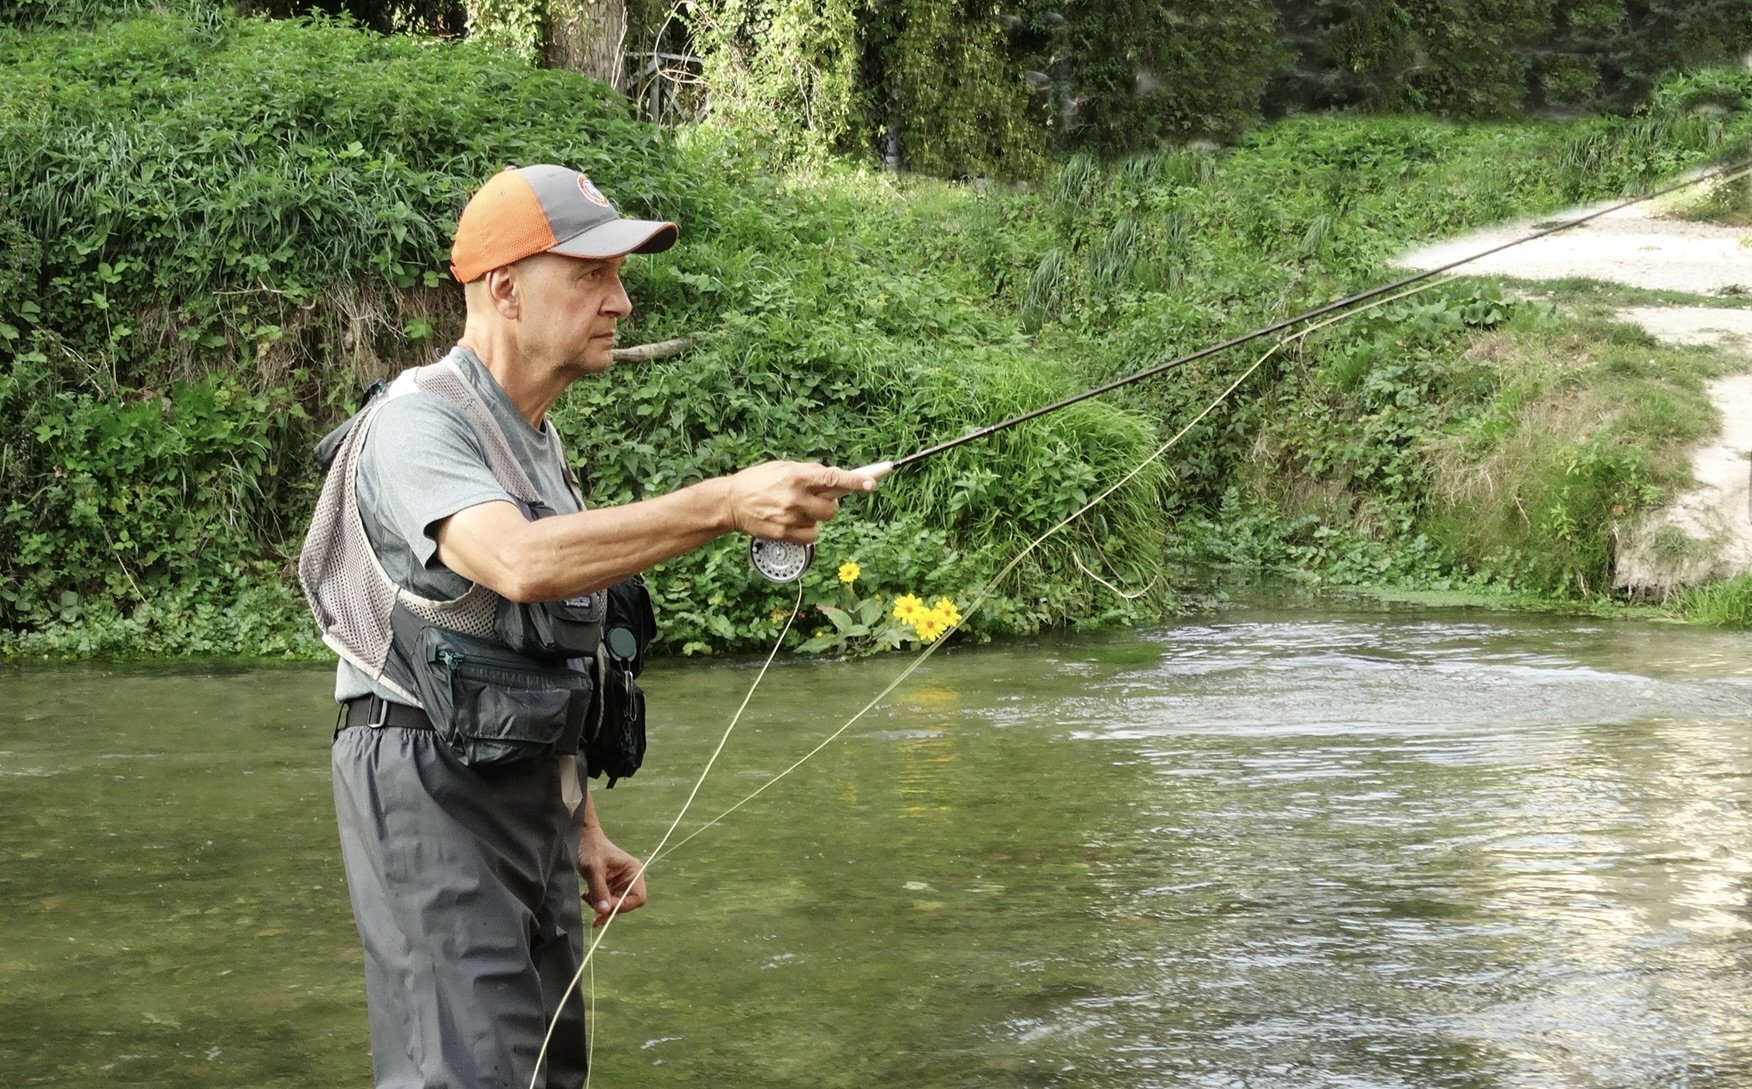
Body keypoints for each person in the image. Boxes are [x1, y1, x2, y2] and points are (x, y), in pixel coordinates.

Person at [299, 163, 878, 1089]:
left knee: (547, 1069)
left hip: (529, 790)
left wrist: (582, 826)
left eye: (621, 277)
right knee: (469, 1072)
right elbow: (519, 563)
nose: (621, 302)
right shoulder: (418, 425)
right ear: (504, 291)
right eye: (592, 275)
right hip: (425, 781)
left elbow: (539, 650)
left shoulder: (538, 441)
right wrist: (725, 502)